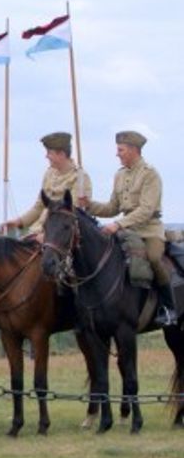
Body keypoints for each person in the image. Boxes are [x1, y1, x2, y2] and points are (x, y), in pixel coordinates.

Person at [79, 131, 176, 326]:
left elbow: (147, 210)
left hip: (149, 230)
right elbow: (112, 207)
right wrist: (89, 204)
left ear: (133, 150)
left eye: (120, 150)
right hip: (127, 231)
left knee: (154, 259)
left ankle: (168, 307)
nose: (117, 154)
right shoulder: (120, 175)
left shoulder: (150, 174)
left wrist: (118, 224)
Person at [4, 132, 93, 238]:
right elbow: (39, 207)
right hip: (37, 232)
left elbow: (70, 214)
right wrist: (18, 222)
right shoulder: (49, 174)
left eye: (49, 153)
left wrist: (47, 236)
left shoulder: (80, 178)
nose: (46, 156)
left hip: (59, 239)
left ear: (61, 154)